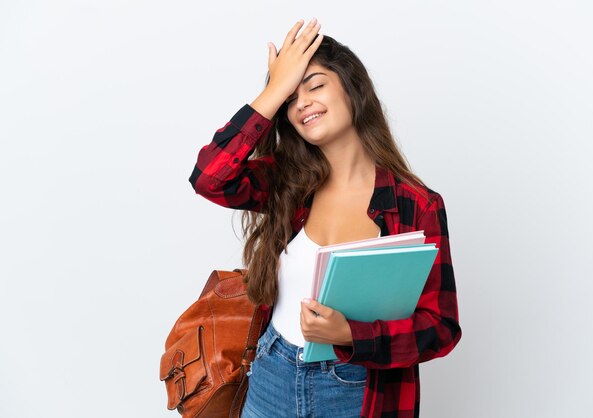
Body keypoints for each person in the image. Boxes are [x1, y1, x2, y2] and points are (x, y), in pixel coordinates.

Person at [189, 18, 461, 418]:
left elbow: (440, 327)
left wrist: (351, 334)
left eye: (314, 85)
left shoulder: (415, 204)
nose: (302, 103)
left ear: (352, 89)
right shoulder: (288, 182)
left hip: (356, 391)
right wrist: (272, 91)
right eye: (290, 98)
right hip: (271, 377)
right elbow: (209, 177)